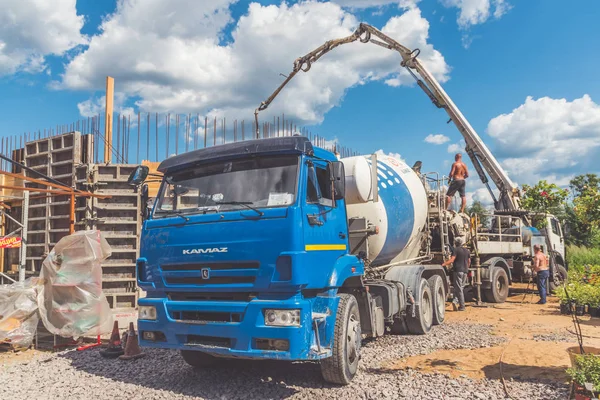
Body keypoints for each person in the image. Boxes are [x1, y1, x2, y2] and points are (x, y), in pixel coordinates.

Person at [442, 237, 471, 311]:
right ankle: (455, 301)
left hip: (458, 271)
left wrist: (443, 264)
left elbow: (452, 260)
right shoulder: (467, 251)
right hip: (465, 271)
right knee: (460, 288)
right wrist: (466, 268)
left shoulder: (456, 250)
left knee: (459, 289)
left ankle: (462, 306)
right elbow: (469, 261)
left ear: (455, 243)